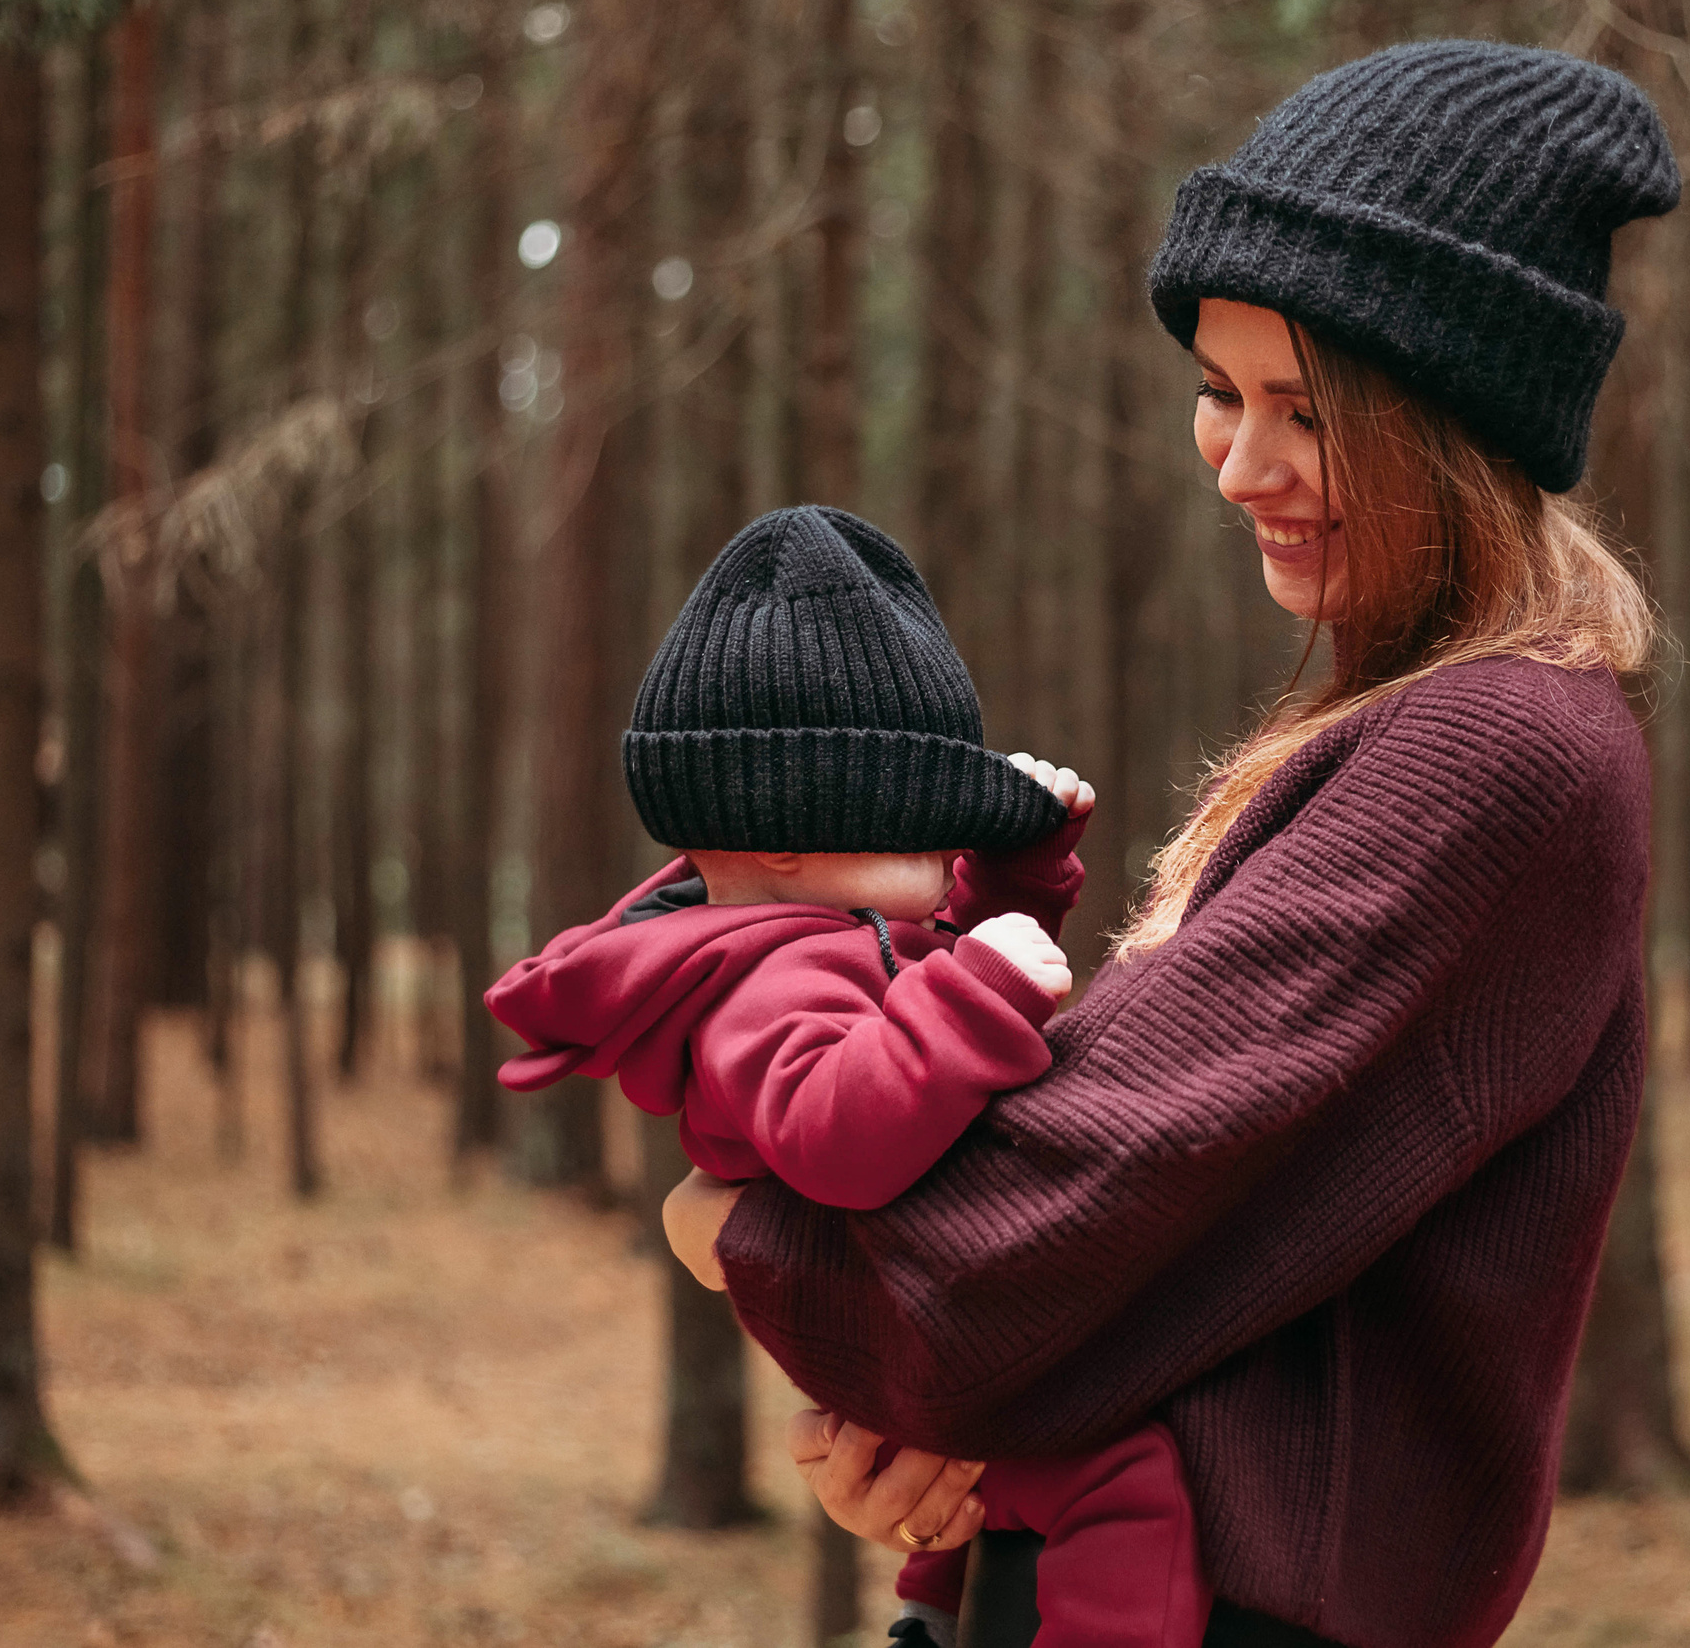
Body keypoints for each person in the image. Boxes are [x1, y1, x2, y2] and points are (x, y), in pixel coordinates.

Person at [664, 39, 1682, 1648]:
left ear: (1457, 415)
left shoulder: (1500, 756)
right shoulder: (1435, 735)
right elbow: (1146, 1242)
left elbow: (1025, 1238)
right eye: (1219, 392)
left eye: (1307, 409)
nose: (1239, 465)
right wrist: (948, 1438)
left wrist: (731, 1229)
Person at [486, 504, 1212, 1648]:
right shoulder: (766, 980)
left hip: (919, 1304)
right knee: (1122, 1474)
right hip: (906, 1310)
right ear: (786, 830)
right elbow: (843, 1134)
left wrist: (1018, 879)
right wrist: (979, 987)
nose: (946, 847)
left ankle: (933, 1606)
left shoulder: (823, 933)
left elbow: (925, 1012)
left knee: (990, 1482)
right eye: (923, 823)